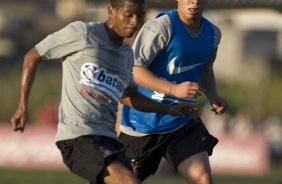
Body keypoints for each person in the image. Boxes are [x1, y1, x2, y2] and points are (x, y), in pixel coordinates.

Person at [10, 0, 199, 184]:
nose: (135, 21)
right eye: (128, 15)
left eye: (140, 16)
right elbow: (33, 56)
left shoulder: (126, 54)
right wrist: (22, 107)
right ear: (111, 11)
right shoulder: (84, 33)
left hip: (109, 139)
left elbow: (128, 96)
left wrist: (168, 109)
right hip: (79, 137)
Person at [119, 0, 228, 183]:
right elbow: (135, 70)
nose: (194, 1)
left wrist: (213, 96)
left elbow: (206, 68)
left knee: (203, 179)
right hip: (142, 125)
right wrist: (173, 89)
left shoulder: (213, 34)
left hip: (181, 121)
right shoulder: (160, 27)